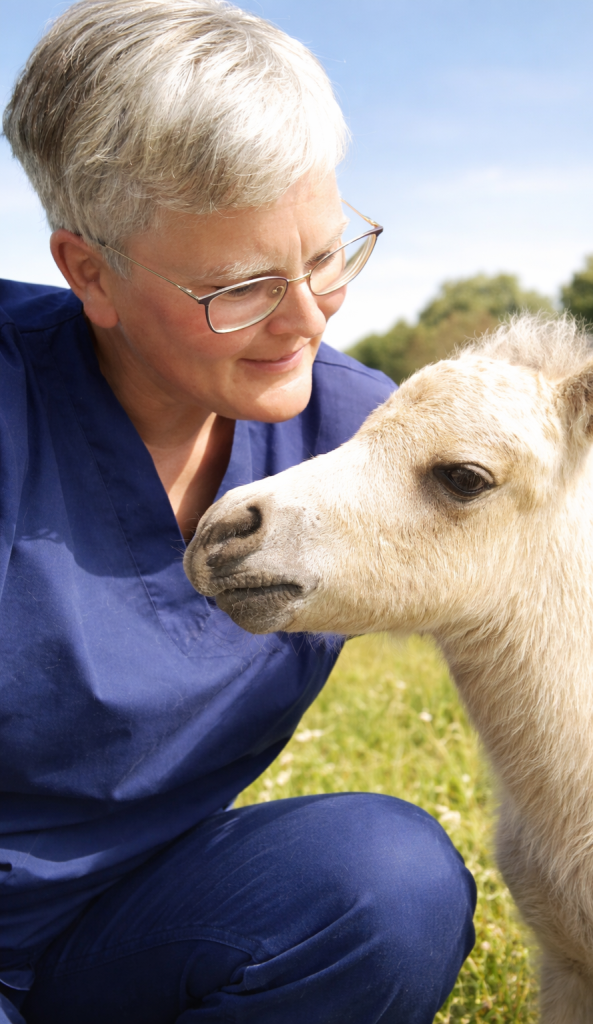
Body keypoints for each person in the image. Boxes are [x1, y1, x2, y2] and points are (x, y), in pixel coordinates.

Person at [0, 2, 476, 1021]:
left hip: (131, 923)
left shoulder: (356, 437)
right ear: (90, 271)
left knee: (383, 882)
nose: (306, 319)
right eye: (241, 287)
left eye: (324, 255)